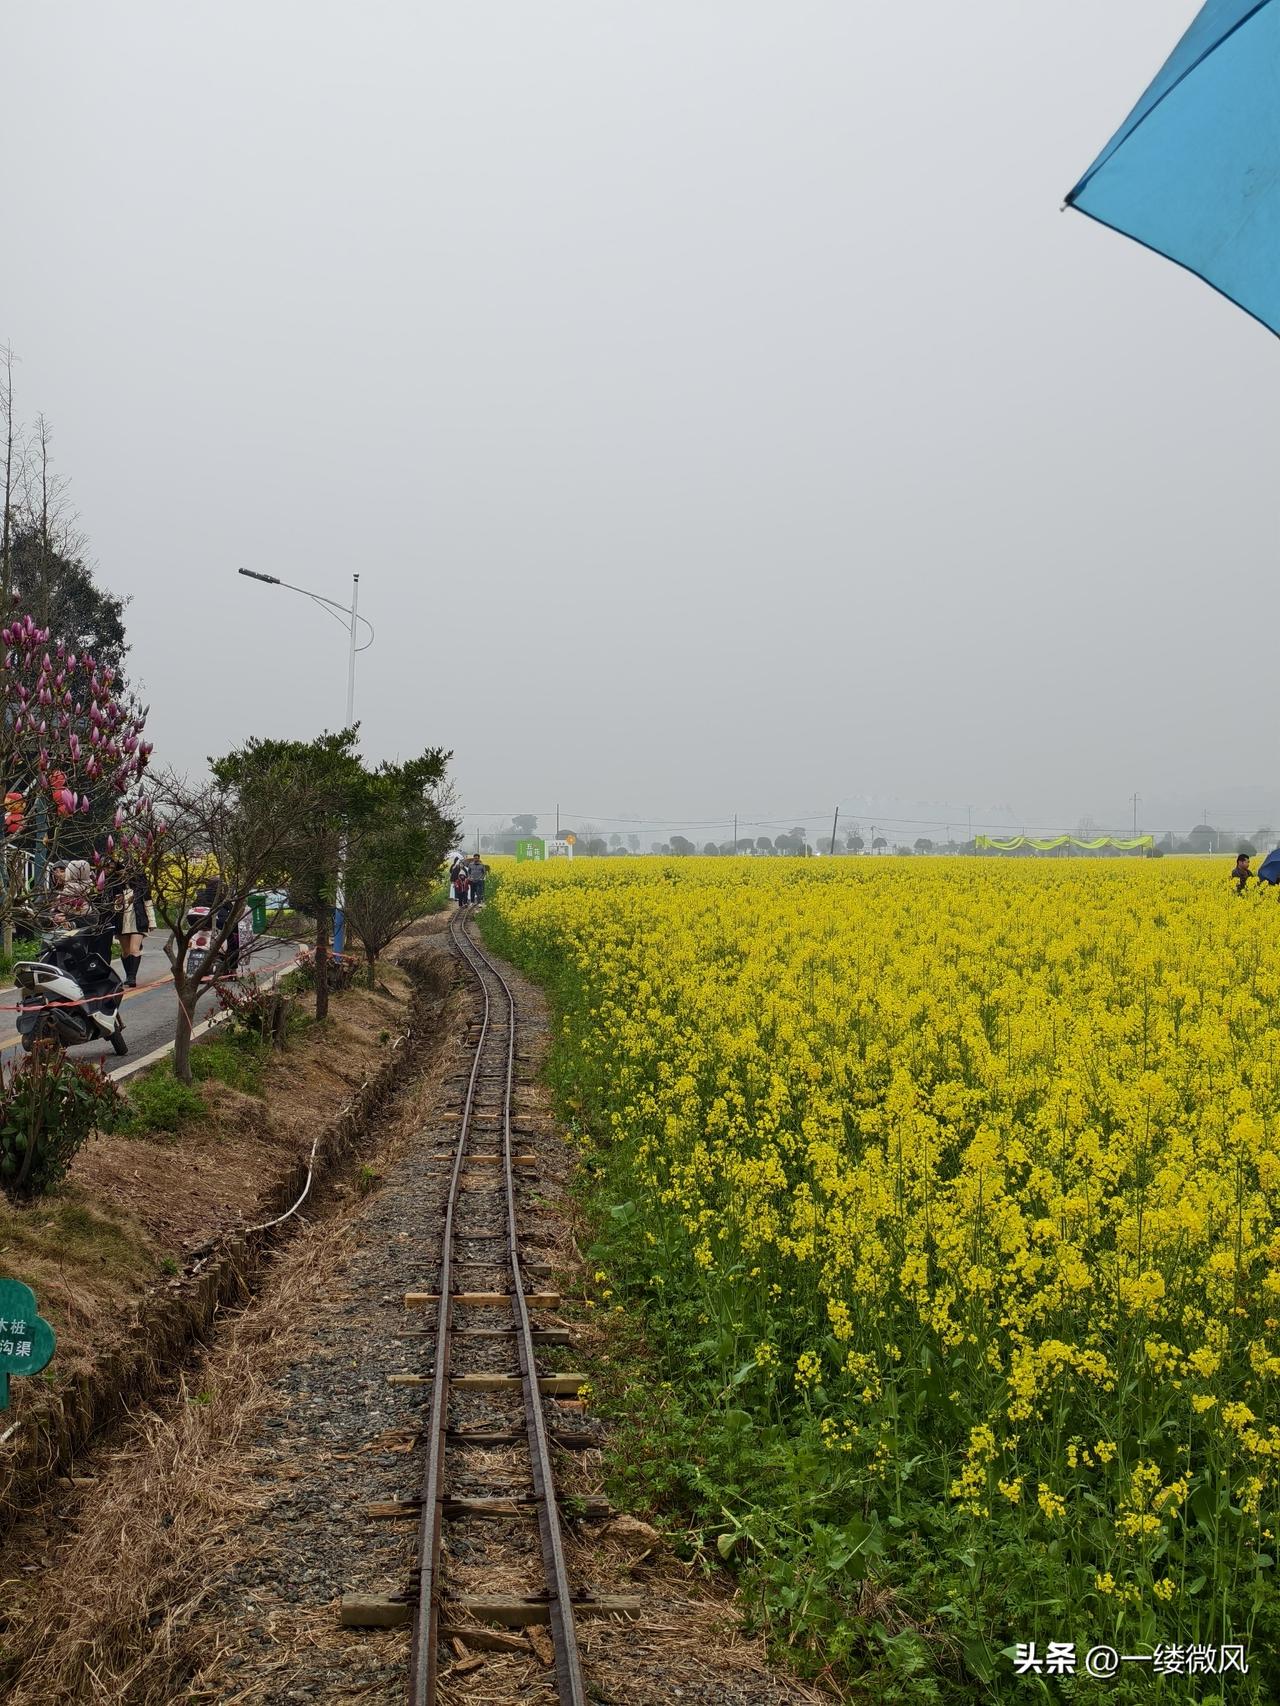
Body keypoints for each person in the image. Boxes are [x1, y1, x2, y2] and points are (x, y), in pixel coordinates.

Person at [110, 862, 151, 986]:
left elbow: (148, 903)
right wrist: (118, 902)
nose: (124, 874)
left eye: (127, 872)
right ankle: (129, 975)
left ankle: (132, 977)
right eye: (121, 872)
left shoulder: (140, 888)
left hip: (137, 921)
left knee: (134, 949)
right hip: (122, 922)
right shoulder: (115, 888)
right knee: (126, 951)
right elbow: (113, 908)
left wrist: (151, 922)